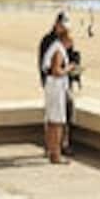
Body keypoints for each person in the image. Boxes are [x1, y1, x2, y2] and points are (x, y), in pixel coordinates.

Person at [42, 25, 74, 164]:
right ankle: (56, 155)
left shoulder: (55, 47)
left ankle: (50, 151)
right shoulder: (59, 50)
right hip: (56, 87)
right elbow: (56, 70)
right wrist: (69, 69)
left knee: (51, 120)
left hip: (51, 86)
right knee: (57, 121)